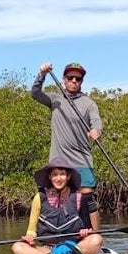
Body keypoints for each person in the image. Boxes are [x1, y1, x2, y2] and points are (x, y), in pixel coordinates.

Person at [30, 61, 103, 230]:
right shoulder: (55, 99)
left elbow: (96, 122)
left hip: (82, 160)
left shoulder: (89, 104)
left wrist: (96, 130)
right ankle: (57, 237)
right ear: (64, 79)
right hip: (59, 161)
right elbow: (34, 93)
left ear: (81, 82)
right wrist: (42, 74)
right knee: (55, 199)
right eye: (70, 77)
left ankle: (94, 236)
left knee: (87, 199)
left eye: (78, 79)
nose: (74, 81)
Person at [11, 165, 104, 254]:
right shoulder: (39, 197)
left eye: (62, 174)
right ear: (50, 177)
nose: (58, 178)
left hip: (72, 247)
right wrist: (30, 238)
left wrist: (85, 233)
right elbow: (31, 231)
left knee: (96, 239)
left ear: (68, 176)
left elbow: (88, 228)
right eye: (54, 175)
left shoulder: (79, 196)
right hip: (47, 249)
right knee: (18, 247)